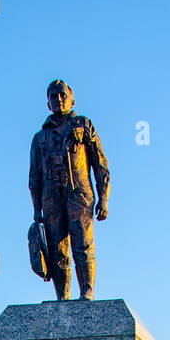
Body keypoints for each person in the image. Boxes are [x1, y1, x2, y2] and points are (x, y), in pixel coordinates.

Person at [29, 80, 110, 300]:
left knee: (82, 244)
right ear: (48, 103)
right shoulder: (39, 138)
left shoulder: (83, 125)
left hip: (79, 193)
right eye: (53, 97)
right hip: (51, 197)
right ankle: (62, 298)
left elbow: (100, 163)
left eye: (62, 95)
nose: (58, 100)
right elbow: (34, 176)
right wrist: (37, 210)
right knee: (57, 250)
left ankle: (87, 292)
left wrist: (104, 198)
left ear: (71, 99)